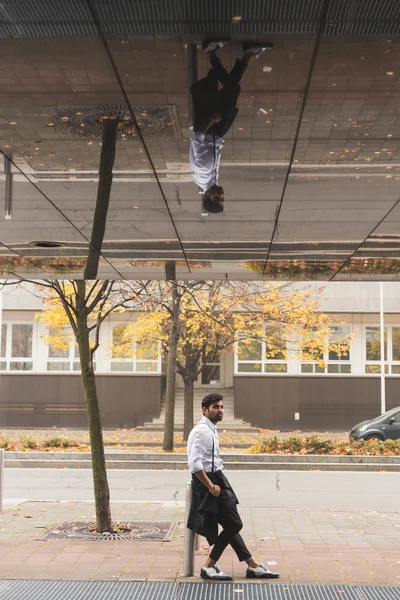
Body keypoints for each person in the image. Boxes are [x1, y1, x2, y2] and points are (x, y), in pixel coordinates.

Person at [187, 392, 279, 581]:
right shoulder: (201, 431)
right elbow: (195, 465)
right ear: (205, 410)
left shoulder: (211, 428)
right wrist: (211, 486)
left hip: (216, 477)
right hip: (208, 481)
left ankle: (252, 565)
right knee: (234, 523)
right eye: (215, 407)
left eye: (221, 407)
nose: (220, 410)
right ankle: (208, 566)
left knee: (230, 524)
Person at [189, 40, 273, 213]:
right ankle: (244, 55)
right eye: (222, 198)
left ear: (206, 196)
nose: (221, 194)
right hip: (218, 132)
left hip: (212, 127)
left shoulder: (203, 171)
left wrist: (212, 120)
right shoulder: (209, 181)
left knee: (232, 89)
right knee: (231, 89)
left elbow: (197, 138)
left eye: (217, 198)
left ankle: (216, 53)